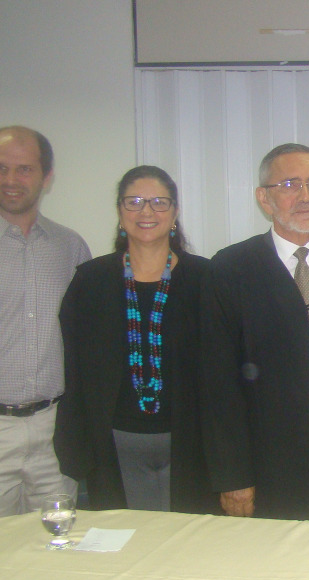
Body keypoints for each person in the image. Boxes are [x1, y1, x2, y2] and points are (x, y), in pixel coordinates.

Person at [201, 143, 309, 522]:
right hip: (271, 458)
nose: (305, 196)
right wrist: (233, 475)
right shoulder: (230, 269)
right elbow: (218, 384)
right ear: (263, 198)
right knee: (285, 555)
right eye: (289, 185)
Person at [54, 166, 215, 512]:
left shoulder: (207, 279)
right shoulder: (90, 281)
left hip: (192, 446)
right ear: (119, 211)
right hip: (113, 444)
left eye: (159, 202)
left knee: (187, 540)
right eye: (135, 202)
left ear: (175, 212)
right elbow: (72, 369)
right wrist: (74, 447)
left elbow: (223, 373)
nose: (146, 211)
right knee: (123, 537)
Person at [0, 126, 90, 517]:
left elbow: (88, 336)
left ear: (46, 178)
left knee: (56, 540)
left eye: (24, 169)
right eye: (2, 168)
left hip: (55, 431)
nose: (10, 179)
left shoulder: (70, 247)